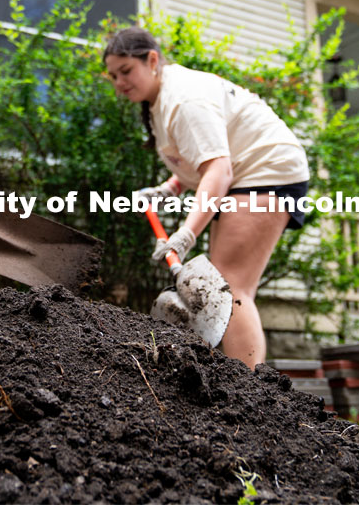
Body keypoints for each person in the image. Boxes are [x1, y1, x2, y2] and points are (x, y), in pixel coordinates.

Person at [104, 26, 310, 370]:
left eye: (126, 71)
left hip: (267, 172)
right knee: (228, 284)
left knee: (231, 287)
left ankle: (250, 389)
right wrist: (170, 188)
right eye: (113, 76)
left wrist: (185, 236)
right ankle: (241, 381)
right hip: (250, 174)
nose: (119, 82)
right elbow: (196, 158)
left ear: (152, 60)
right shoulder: (161, 99)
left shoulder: (184, 99)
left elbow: (218, 170)